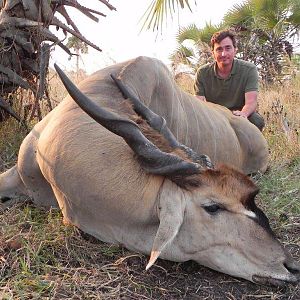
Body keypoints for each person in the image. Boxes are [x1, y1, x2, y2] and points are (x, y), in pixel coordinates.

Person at [194, 30, 265, 131]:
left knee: (256, 120)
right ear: (213, 53)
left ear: (235, 50)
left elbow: (251, 102)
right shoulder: (202, 72)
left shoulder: (249, 69)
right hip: (214, 116)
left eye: (228, 48)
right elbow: (199, 104)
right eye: (219, 49)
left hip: (238, 114)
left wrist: (243, 114)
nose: (223, 53)